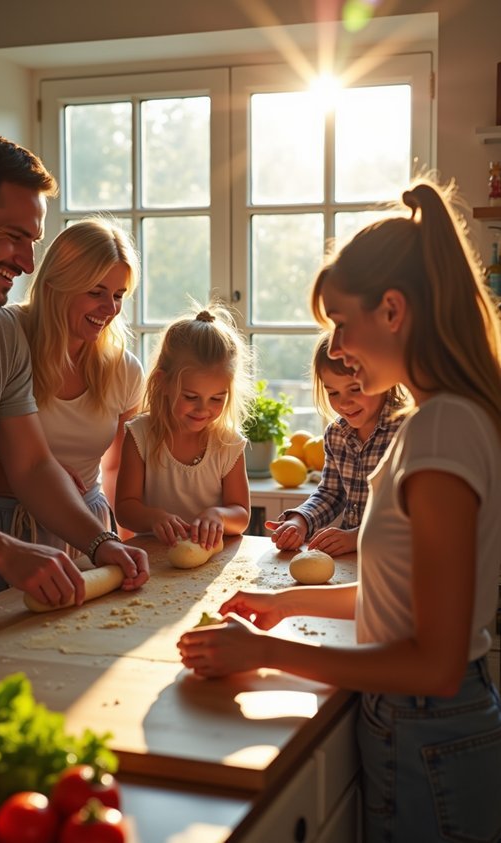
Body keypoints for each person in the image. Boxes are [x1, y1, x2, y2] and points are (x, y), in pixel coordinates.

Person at [178, 178, 501, 842]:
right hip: (423, 725)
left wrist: (263, 651)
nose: (339, 344)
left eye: (340, 321)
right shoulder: (446, 420)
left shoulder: (440, 429)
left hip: (425, 728)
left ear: (391, 309)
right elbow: (401, 599)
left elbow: (433, 661)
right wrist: (287, 607)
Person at [0, 126, 149, 620]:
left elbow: (29, 466)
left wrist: (101, 543)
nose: (28, 262)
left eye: (34, 242)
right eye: (14, 237)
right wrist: (5, 552)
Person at [0, 218, 144, 599]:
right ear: (55, 285)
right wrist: (43, 476)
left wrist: (119, 544)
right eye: (96, 292)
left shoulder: (124, 369)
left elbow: (113, 470)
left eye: (118, 294)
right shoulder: (1, 336)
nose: (109, 308)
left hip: (88, 530)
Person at [114, 302, 254, 550]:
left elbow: (241, 514)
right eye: (191, 397)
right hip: (156, 557)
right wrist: (153, 517)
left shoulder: (228, 444)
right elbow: (125, 508)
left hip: (211, 558)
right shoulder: (141, 435)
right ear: (163, 383)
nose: (203, 409)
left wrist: (219, 515)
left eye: (217, 399)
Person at [266, 332, 406, 556]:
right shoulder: (336, 434)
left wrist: (357, 537)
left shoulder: (407, 429)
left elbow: (409, 511)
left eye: (355, 389)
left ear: (382, 377)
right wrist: (300, 520)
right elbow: (331, 494)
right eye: (333, 392)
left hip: (395, 557)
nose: (344, 402)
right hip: (353, 559)